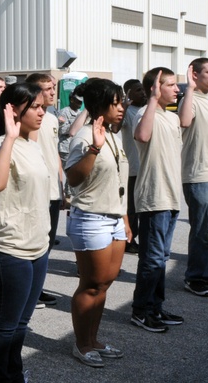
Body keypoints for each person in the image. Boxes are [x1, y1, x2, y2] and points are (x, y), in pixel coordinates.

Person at [0, 82, 51, 383]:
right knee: (6, 325)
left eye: (42, 106)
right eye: (34, 106)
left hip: (37, 246)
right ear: (14, 110)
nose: (41, 111)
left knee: (22, 323)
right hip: (9, 248)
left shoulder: (32, 144)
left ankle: (15, 380)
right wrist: (8, 135)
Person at [64, 78, 130, 367]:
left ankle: (94, 339)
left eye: (121, 101)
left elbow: (117, 181)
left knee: (104, 285)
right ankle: (81, 344)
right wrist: (93, 149)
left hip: (114, 219)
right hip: (91, 219)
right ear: (100, 104)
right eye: (116, 102)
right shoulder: (85, 137)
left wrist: (125, 219)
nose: (122, 107)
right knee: (90, 285)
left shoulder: (112, 134)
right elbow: (74, 178)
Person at [130, 67, 184, 332]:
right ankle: (141, 311)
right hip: (154, 196)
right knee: (151, 258)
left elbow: (186, 121)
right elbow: (142, 136)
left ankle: (155, 307)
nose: (177, 89)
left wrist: (193, 90)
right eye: (171, 85)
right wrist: (151, 100)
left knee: (161, 257)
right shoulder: (145, 113)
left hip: (171, 196)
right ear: (155, 89)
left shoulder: (171, 118)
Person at [178, 58, 208, 297]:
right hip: (199, 176)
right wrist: (188, 88)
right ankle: (195, 277)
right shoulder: (191, 100)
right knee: (202, 231)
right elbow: (185, 122)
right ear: (195, 75)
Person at [25, 73, 62, 308]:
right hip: (37, 191)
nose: (52, 92)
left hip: (53, 190)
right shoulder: (30, 120)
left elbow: (54, 153)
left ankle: (37, 288)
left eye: (53, 87)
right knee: (33, 243)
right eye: (47, 89)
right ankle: (28, 292)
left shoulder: (52, 118)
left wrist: (62, 181)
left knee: (46, 244)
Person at [121, 82, 147, 253]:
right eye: (138, 91)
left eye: (144, 89)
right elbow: (116, 125)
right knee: (131, 208)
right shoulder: (127, 112)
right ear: (129, 93)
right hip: (132, 169)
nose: (143, 93)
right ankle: (129, 240)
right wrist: (123, 107)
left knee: (142, 206)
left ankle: (139, 237)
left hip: (146, 167)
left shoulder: (146, 111)